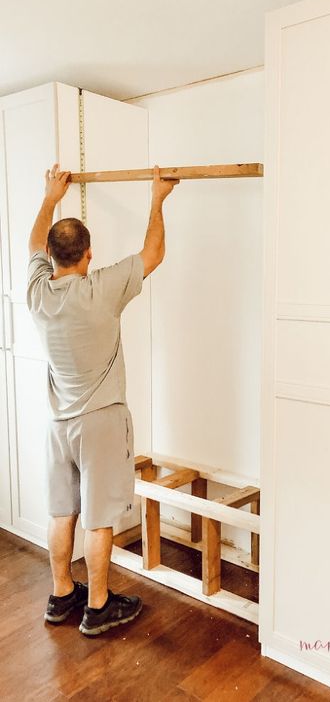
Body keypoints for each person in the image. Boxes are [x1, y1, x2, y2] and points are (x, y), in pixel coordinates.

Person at [26, 163, 179, 635]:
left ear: (52, 257)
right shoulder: (102, 288)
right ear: (88, 256)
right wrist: (157, 198)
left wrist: (50, 198)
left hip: (59, 427)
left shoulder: (38, 294)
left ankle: (60, 596)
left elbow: (32, 243)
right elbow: (153, 253)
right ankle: (96, 607)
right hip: (101, 423)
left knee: (61, 513)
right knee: (97, 519)